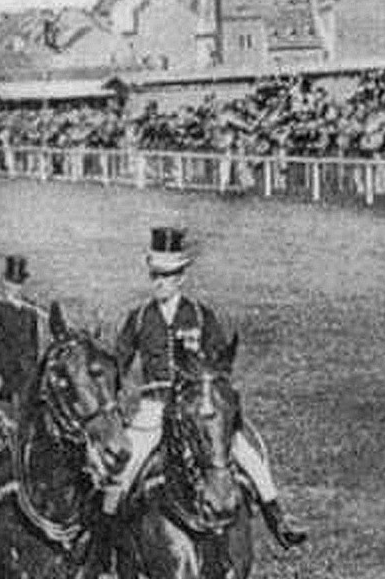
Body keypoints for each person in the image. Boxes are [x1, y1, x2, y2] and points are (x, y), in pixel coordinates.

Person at [101, 227, 307, 550]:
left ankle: (277, 517)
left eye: (167, 276)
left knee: (245, 453)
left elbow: (221, 367)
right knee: (124, 472)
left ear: (181, 278)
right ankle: (104, 543)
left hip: (196, 409)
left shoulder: (200, 316)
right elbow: (117, 365)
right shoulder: (139, 318)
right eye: (155, 274)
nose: (159, 282)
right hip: (154, 409)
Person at [0, 254, 42, 410]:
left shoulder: (31, 312)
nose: (13, 287)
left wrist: (33, 371)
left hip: (27, 373)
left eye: (18, 283)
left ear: (23, 285)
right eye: (10, 282)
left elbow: (34, 345)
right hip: (5, 371)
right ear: (4, 282)